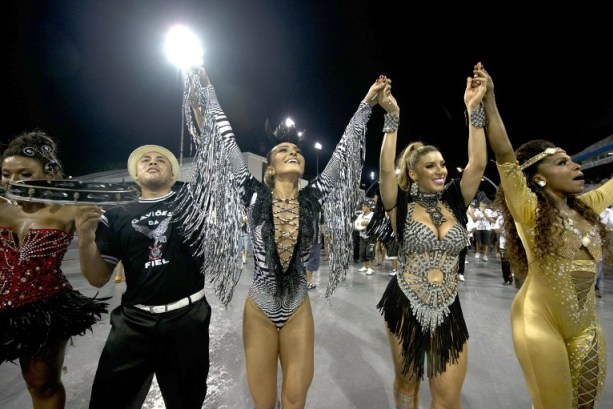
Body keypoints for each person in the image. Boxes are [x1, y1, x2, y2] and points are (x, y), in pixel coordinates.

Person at [181, 64, 388, 409]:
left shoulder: (314, 195)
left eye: (298, 150)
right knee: (263, 403)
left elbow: (345, 149)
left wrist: (367, 103)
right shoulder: (252, 192)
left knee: (294, 400)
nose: (293, 152)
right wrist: (209, 90)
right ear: (270, 167)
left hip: (296, 306)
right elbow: (224, 141)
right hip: (260, 306)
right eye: (283, 151)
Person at [479, 61, 613, 408]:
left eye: (573, 160)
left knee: (586, 404)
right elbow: (506, 156)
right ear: (538, 178)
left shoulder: (588, 205)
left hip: (586, 326)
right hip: (539, 323)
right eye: (563, 162)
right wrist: (489, 101)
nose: (576, 166)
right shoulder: (530, 212)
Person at [375, 69, 488, 408]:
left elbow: (478, 164)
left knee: (447, 396)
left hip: (448, 306)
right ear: (413, 173)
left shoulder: (455, 200)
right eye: (430, 166)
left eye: (442, 164)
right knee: (408, 387)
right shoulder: (401, 204)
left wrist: (473, 110)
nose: (441, 170)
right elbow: (384, 172)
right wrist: (392, 118)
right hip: (405, 302)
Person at [75, 144, 212, 409]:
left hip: (187, 319)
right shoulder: (116, 215)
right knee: (108, 400)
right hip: (134, 321)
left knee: (187, 401)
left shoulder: (193, 203)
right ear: (136, 175)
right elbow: (97, 278)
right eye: (145, 160)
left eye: (161, 160)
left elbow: (215, 167)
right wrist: (85, 240)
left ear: (173, 175)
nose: (152, 162)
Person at [0, 130, 108, 409]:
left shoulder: (69, 210)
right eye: (5, 174)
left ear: (48, 174)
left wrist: (87, 237)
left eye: (24, 174)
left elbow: (97, 265)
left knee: (42, 385)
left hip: (43, 308)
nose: (12, 182)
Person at [354, 200, 376, 275]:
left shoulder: (373, 215)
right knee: (363, 251)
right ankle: (365, 266)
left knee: (369, 251)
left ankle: (370, 268)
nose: (363, 207)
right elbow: (356, 223)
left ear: (369, 207)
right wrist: (359, 225)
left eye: (364, 206)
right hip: (362, 236)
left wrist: (367, 223)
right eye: (362, 206)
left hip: (371, 236)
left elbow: (375, 223)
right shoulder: (361, 215)